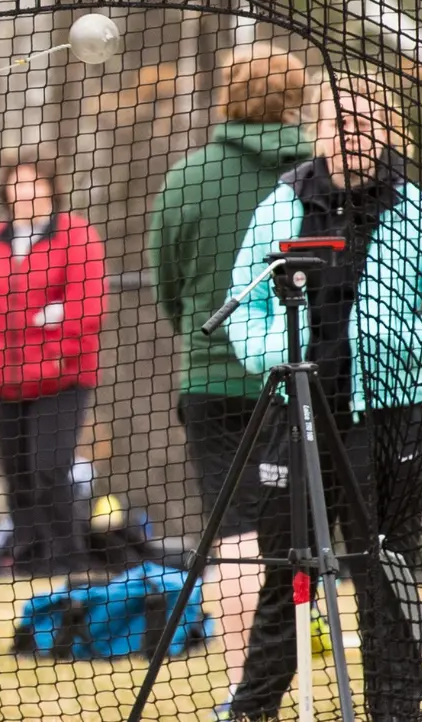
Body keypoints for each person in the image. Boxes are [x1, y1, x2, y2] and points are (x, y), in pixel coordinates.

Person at [224, 83, 422, 721]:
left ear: (390, 133)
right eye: (343, 123)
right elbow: (244, 303)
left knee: (382, 569)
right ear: (318, 130)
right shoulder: (281, 205)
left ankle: (396, 708)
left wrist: (412, 341)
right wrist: (278, 359)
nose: (355, 134)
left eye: (369, 123)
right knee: (288, 566)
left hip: (389, 416)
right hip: (303, 409)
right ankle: (253, 706)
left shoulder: (421, 211)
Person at [146, 42, 314, 696]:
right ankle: (279, 685)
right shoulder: (318, 173)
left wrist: (201, 331)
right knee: (296, 534)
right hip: (300, 377)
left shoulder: (190, 177)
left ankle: (242, 690)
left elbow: (168, 283)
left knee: (236, 533)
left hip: (213, 378)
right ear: (296, 101)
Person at [0, 154, 107, 578]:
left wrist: (59, 343)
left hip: (62, 378)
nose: (27, 193)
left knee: (49, 467)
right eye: (18, 185)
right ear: (6, 193)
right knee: (17, 473)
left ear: (51, 188)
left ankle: (69, 559)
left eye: (35, 183)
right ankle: (29, 556)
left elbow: (87, 304)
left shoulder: (76, 235)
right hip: (3, 379)